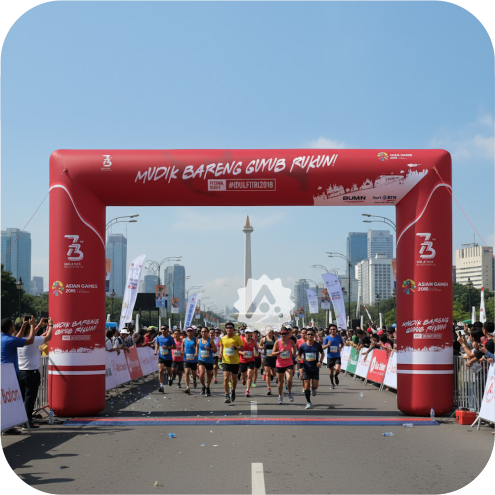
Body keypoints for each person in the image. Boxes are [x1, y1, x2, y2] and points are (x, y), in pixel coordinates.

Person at [17, 317, 53, 429]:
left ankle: (20, 420)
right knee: (30, 398)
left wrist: (38, 325)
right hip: (31, 373)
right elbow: (49, 337)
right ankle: (27, 422)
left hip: (20, 372)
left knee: (23, 398)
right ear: (29, 329)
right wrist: (51, 325)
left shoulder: (17, 340)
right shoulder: (34, 340)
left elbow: (32, 335)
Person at [298, 329, 324, 409]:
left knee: (315, 386)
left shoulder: (317, 345)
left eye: (311, 334)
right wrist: (300, 359)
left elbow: (322, 353)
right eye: (308, 334)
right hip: (306, 368)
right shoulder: (303, 346)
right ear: (306, 335)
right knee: (306, 386)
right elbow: (298, 355)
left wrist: (320, 361)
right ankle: (308, 402)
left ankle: (313, 389)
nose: (310, 336)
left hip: (315, 368)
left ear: (314, 335)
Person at [219, 323, 243, 403]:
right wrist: (220, 353)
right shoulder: (223, 338)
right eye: (227, 328)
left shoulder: (237, 338)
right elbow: (221, 346)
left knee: (234, 378)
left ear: (233, 329)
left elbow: (242, 348)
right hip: (225, 361)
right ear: (225, 329)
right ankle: (226, 395)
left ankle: (233, 390)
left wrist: (235, 348)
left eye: (230, 328)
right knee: (226, 378)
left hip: (234, 361)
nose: (229, 329)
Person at [272, 327, 297, 404]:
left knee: (289, 379)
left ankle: (289, 392)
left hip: (289, 363)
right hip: (280, 364)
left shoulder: (291, 341)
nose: (283, 335)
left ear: (287, 334)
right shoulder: (277, 342)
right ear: (280, 334)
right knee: (280, 382)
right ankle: (280, 396)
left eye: (285, 334)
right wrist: (279, 352)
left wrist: (293, 353)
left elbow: (294, 346)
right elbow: (273, 353)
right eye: (282, 334)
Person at [154, 325, 176, 392]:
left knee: (169, 371)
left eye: (164, 329)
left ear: (167, 330)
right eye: (162, 329)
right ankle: (161, 386)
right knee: (161, 370)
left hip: (168, 357)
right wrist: (155, 351)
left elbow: (174, 346)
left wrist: (167, 347)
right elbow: (157, 344)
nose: (163, 330)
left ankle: (170, 377)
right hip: (161, 357)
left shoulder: (170, 338)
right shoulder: (158, 338)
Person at [322, 324, 344, 389]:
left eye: (334, 329)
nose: (332, 330)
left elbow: (342, 343)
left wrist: (341, 347)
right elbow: (323, 347)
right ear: (329, 330)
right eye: (331, 329)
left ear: (336, 330)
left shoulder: (339, 337)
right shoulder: (327, 338)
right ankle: (332, 383)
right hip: (330, 356)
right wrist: (327, 345)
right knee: (331, 371)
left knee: (338, 369)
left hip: (337, 356)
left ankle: (336, 376)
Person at [197, 326, 216, 396]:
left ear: (207, 332)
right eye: (202, 332)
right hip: (201, 359)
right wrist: (196, 353)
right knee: (201, 373)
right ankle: (203, 386)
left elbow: (215, 350)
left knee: (208, 375)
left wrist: (209, 349)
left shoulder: (210, 340)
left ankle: (207, 387)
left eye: (205, 331)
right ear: (200, 333)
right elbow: (197, 347)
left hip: (209, 360)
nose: (203, 333)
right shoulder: (199, 340)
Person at [239, 328, 257, 397]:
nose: (248, 334)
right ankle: (243, 378)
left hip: (251, 360)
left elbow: (257, 348)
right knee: (244, 375)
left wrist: (259, 351)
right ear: (245, 334)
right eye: (247, 333)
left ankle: (247, 390)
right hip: (242, 360)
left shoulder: (253, 341)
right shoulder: (241, 340)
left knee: (249, 374)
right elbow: (238, 350)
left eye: (249, 333)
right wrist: (242, 353)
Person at [259, 326, 277, 395]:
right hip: (266, 358)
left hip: (274, 358)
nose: (269, 331)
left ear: (272, 331)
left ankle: (272, 376)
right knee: (267, 373)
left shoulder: (275, 338)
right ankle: (269, 388)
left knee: (274, 373)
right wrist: (262, 347)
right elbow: (259, 346)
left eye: (270, 330)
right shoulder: (263, 339)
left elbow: (278, 345)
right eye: (267, 330)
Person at [183, 327, 198, 394]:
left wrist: (196, 352)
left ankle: (194, 379)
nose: (189, 332)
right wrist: (182, 351)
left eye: (190, 331)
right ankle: (187, 387)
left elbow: (197, 347)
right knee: (187, 372)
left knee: (194, 372)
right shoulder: (184, 340)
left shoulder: (195, 339)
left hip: (194, 359)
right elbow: (182, 347)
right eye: (188, 331)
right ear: (186, 332)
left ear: (193, 332)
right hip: (186, 359)